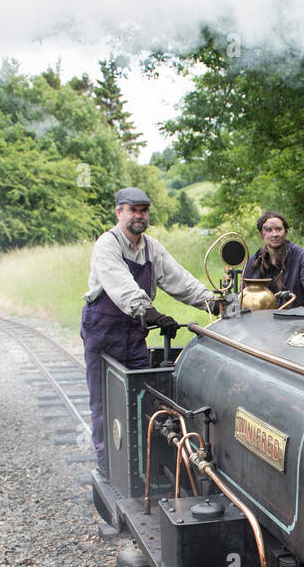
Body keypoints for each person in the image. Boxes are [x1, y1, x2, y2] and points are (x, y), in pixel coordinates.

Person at [81, 187, 216, 473]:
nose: (139, 215)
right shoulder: (108, 244)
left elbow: (180, 280)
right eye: (133, 210)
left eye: (143, 210)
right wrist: (150, 312)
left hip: (134, 333)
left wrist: (212, 303)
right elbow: (121, 285)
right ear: (119, 212)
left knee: (145, 397)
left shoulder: (151, 248)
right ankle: (108, 465)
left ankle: (142, 465)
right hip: (104, 332)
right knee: (104, 401)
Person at [244, 211, 304, 306]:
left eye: (279, 229)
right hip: (261, 319)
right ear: (261, 234)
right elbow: (244, 296)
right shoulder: (253, 261)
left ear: (285, 232)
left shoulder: (300, 257)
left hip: (294, 318)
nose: (274, 234)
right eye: (269, 230)